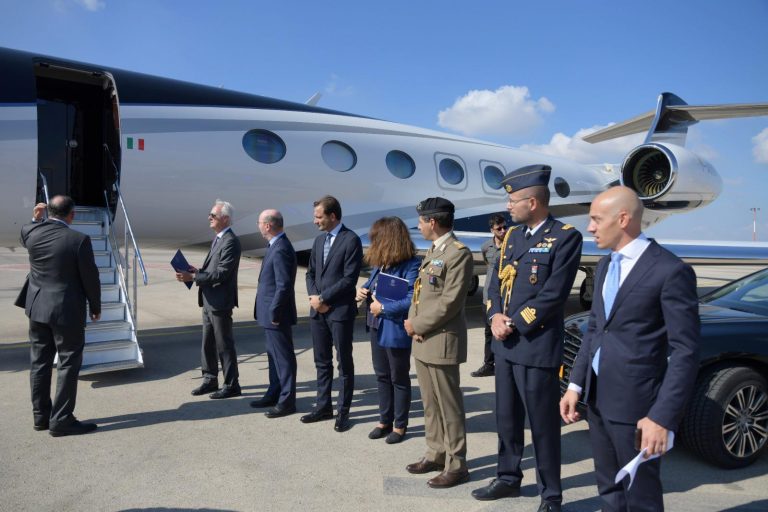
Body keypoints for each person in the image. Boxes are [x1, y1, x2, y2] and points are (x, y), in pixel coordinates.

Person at [560, 186, 700, 512]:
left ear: (622, 219)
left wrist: (661, 417)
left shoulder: (670, 271)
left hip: (638, 410)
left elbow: (685, 352)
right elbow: (595, 329)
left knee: (640, 497)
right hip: (597, 402)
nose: (590, 227)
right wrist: (576, 385)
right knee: (609, 491)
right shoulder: (607, 265)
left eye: (595, 219)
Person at [473, 164, 582, 512]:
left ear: (532, 202)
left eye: (513, 200)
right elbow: (494, 284)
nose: (508, 206)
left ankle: (551, 496)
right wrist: (493, 316)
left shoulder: (565, 237)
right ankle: (508, 477)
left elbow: (553, 295)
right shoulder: (512, 238)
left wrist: (514, 323)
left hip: (535, 347)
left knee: (543, 426)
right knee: (507, 418)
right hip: (505, 346)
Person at [404, 197, 473, 489]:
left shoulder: (458, 254)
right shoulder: (434, 251)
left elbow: (450, 302)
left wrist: (417, 325)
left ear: (432, 222)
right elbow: (422, 295)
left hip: (441, 340)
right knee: (430, 404)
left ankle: (457, 465)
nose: (418, 226)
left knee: (449, 406)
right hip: (422, 340)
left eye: (421, 221)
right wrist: (413, 326)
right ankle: (435, 452)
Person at [17, 196, 101, 436]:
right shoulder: (79, 240)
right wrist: (95, 306)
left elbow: (25, 232)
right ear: (72, 214)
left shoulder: (33, 234)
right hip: (66, 311)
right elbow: (90, 278)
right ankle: (62, 419)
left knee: (40, 363)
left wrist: (35, 219)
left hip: (37, 308)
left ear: (47, 212)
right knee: (67, 363)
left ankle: (41, 417)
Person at [356, 217, 420, 444]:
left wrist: (382, 308)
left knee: (398, 377)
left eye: (376, 238)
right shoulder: (380, 263)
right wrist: (362, 291)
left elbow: (412, 298)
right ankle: (384, 419)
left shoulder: (411, 264)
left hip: (394, 328)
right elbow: (372, 286)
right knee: (382, 376)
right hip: (376, 326)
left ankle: (400, 425)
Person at [303, 195, 363, 433]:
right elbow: (310, 274)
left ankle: (343, 412)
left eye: (318, 216)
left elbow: (349, 279)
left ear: (333, 216)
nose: (315, 220)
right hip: (318, 312)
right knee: (322, 362)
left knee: (343, 363)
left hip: (339, 312)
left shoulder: (351, 240)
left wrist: (324, 299)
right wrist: (314, 299)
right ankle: (323, 406)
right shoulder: (318, 241)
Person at [177, 200, 242, 399]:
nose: (209, 218)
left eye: (213, 215)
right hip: (208, 300)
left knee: (224, 345)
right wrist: (198, 271)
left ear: (225, 219)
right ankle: (210, 379)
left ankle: (232, 384)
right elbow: (213, 270)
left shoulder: (230, 241)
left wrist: (194, 278)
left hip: (220, 302)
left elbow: (222, 273)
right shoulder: (218, 239)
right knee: (208, 343)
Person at [250, 209, 298, 418]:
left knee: (283, 358)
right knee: (273, 355)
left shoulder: (280, 249)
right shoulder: (275, 245)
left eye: (259, 222)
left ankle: (287, 401)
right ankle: (274, 392)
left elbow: (283, 285)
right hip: (270, 312)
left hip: (275, 314)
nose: (258, 226)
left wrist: (275, 311)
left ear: (268, 225)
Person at [471, 213, 507, 378]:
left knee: (504, 332)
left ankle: (504, 365)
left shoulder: (512, 245)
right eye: (499, 228)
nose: (503, 230)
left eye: (504, 227)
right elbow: (488, 264)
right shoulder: (486, 247)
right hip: (488, 297)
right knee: (488, 332)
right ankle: (489, 364)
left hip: (505, 297)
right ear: (492, 230)